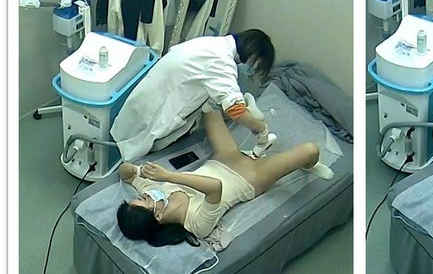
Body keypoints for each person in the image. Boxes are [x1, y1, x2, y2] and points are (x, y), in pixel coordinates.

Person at [117, 108, 334, 246]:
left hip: (223, 158)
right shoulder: (195, 224)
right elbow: (215, 187)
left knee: (208, 106)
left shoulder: (154, 193)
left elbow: (124, 173)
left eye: (140, 196)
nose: (146, 195)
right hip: (250, 177)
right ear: (157, 216)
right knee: (310, 151)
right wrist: (169, 176)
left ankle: (252, 118)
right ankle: (308, 166)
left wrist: (137, 171)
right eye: (144, 200)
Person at [110, 30, 276, 162]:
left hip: (147, 98)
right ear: (254, 54)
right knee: (134, 153)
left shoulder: (211, 43)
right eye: (256, 66)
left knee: (125, 144)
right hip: (154, 113)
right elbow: (236, 111)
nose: (252, 70)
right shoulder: (221, 62)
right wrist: (262, 131)